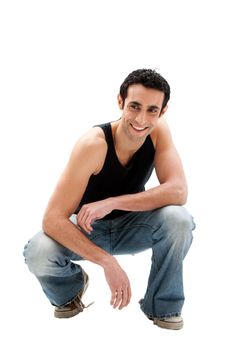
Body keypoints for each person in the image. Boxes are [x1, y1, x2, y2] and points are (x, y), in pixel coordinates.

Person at [23, 68, 195, 330]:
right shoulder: (93, 144)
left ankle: (163, 307)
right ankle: (71, 289)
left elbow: (178, 191)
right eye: (134, 106)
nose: (141, 118)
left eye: (152, 110)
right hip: (88, 228)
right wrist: (106, 262)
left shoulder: (158, 131)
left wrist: (112, 202)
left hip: (134, 225)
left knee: (179, 219)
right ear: (120, 102)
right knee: (38, 252)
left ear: (162, 111)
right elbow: (52, 219)